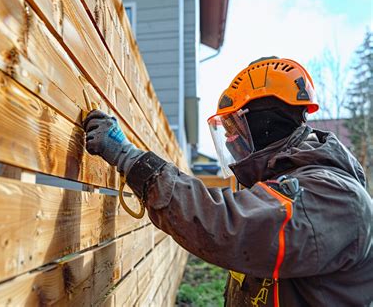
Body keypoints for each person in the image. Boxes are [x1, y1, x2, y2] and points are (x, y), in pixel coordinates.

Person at [83, 57, 373, 306]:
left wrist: (131, 160)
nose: (230, 139)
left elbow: (229, 225)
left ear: (265, 122)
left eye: (234, 127)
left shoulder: (335, 195)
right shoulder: (289, 181)